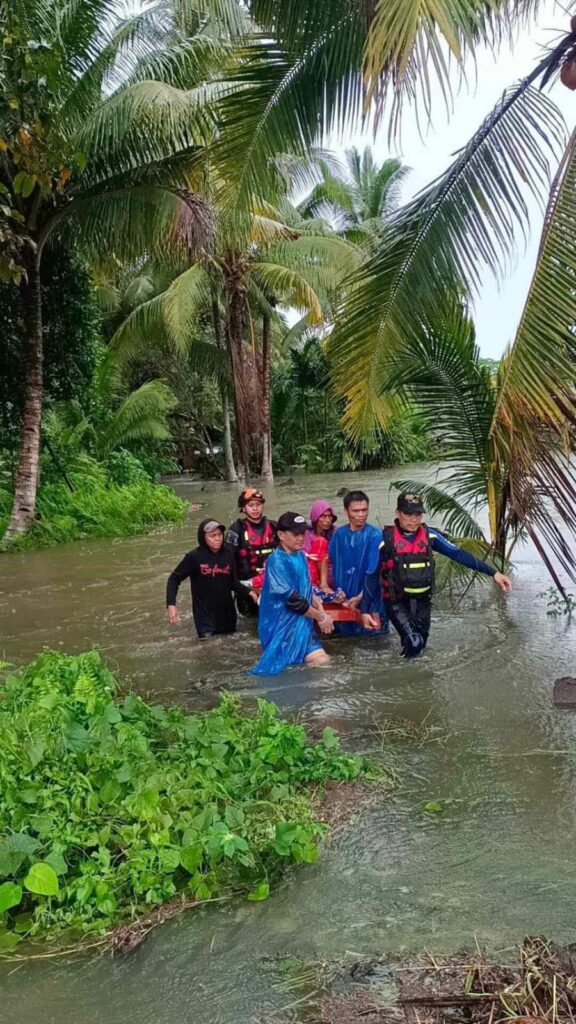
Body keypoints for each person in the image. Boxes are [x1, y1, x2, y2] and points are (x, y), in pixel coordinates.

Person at [361, 492, 512, 658]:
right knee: (414, 642)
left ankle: (411, 678)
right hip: (396, 603)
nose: (413, 519)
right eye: (408, 514)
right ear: (398, 513)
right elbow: (371, 574)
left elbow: (459, 554)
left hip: (423, 602)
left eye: (418, 514)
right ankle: (409, 679)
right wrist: (365, 610)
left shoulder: (430, 535)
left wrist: (494, 573)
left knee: (420, 646)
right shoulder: (384, 540)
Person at [251, 512, 334, 676]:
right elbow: (293, 600)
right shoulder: (276, 561)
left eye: (303, 534)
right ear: (281, 535)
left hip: (302, 624)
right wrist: (321, 617)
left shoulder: (301, 556)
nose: (301, 538)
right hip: (281, 627)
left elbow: (308, 591)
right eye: (295, 534)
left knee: (323, 662)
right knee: (282, 673)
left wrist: (322, 611)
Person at [166, 519, 244, 639]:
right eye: (212, 536)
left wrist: (251, 593)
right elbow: (174, 579)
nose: (217, 538)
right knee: (208, 650)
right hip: (205, 618)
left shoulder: (229, 554)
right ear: (203, 538)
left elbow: (232, 582)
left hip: (227, 615)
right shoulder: (194, 557)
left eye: (219, 535)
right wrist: (171, 605)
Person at [328, 490, 387, 635]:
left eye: (364, 510)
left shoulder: (376, 535)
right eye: (356, 511)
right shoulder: (338, 535)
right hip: (344, 600)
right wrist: (332, 593)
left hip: (371, 600)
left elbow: (378, 571)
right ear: (346, 511)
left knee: (374, 643)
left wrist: (361, 597)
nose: (361, 515)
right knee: (345, 643)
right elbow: (330, 564)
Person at [226, 488, 277, 616]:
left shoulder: (274, 527)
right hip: (246, 589)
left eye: (258, 504)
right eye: (251, 505)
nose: (255, 508)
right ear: (243, 508)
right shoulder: (235, 530)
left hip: (273, 586)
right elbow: (226, 561)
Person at [303, 500, 338, 590]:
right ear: (316, 517)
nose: (328, 520)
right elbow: (301, 552)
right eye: (323, 516)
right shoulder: (307, 534)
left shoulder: (336, 533)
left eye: (330, 516)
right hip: (312, 573)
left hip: (332, 574)